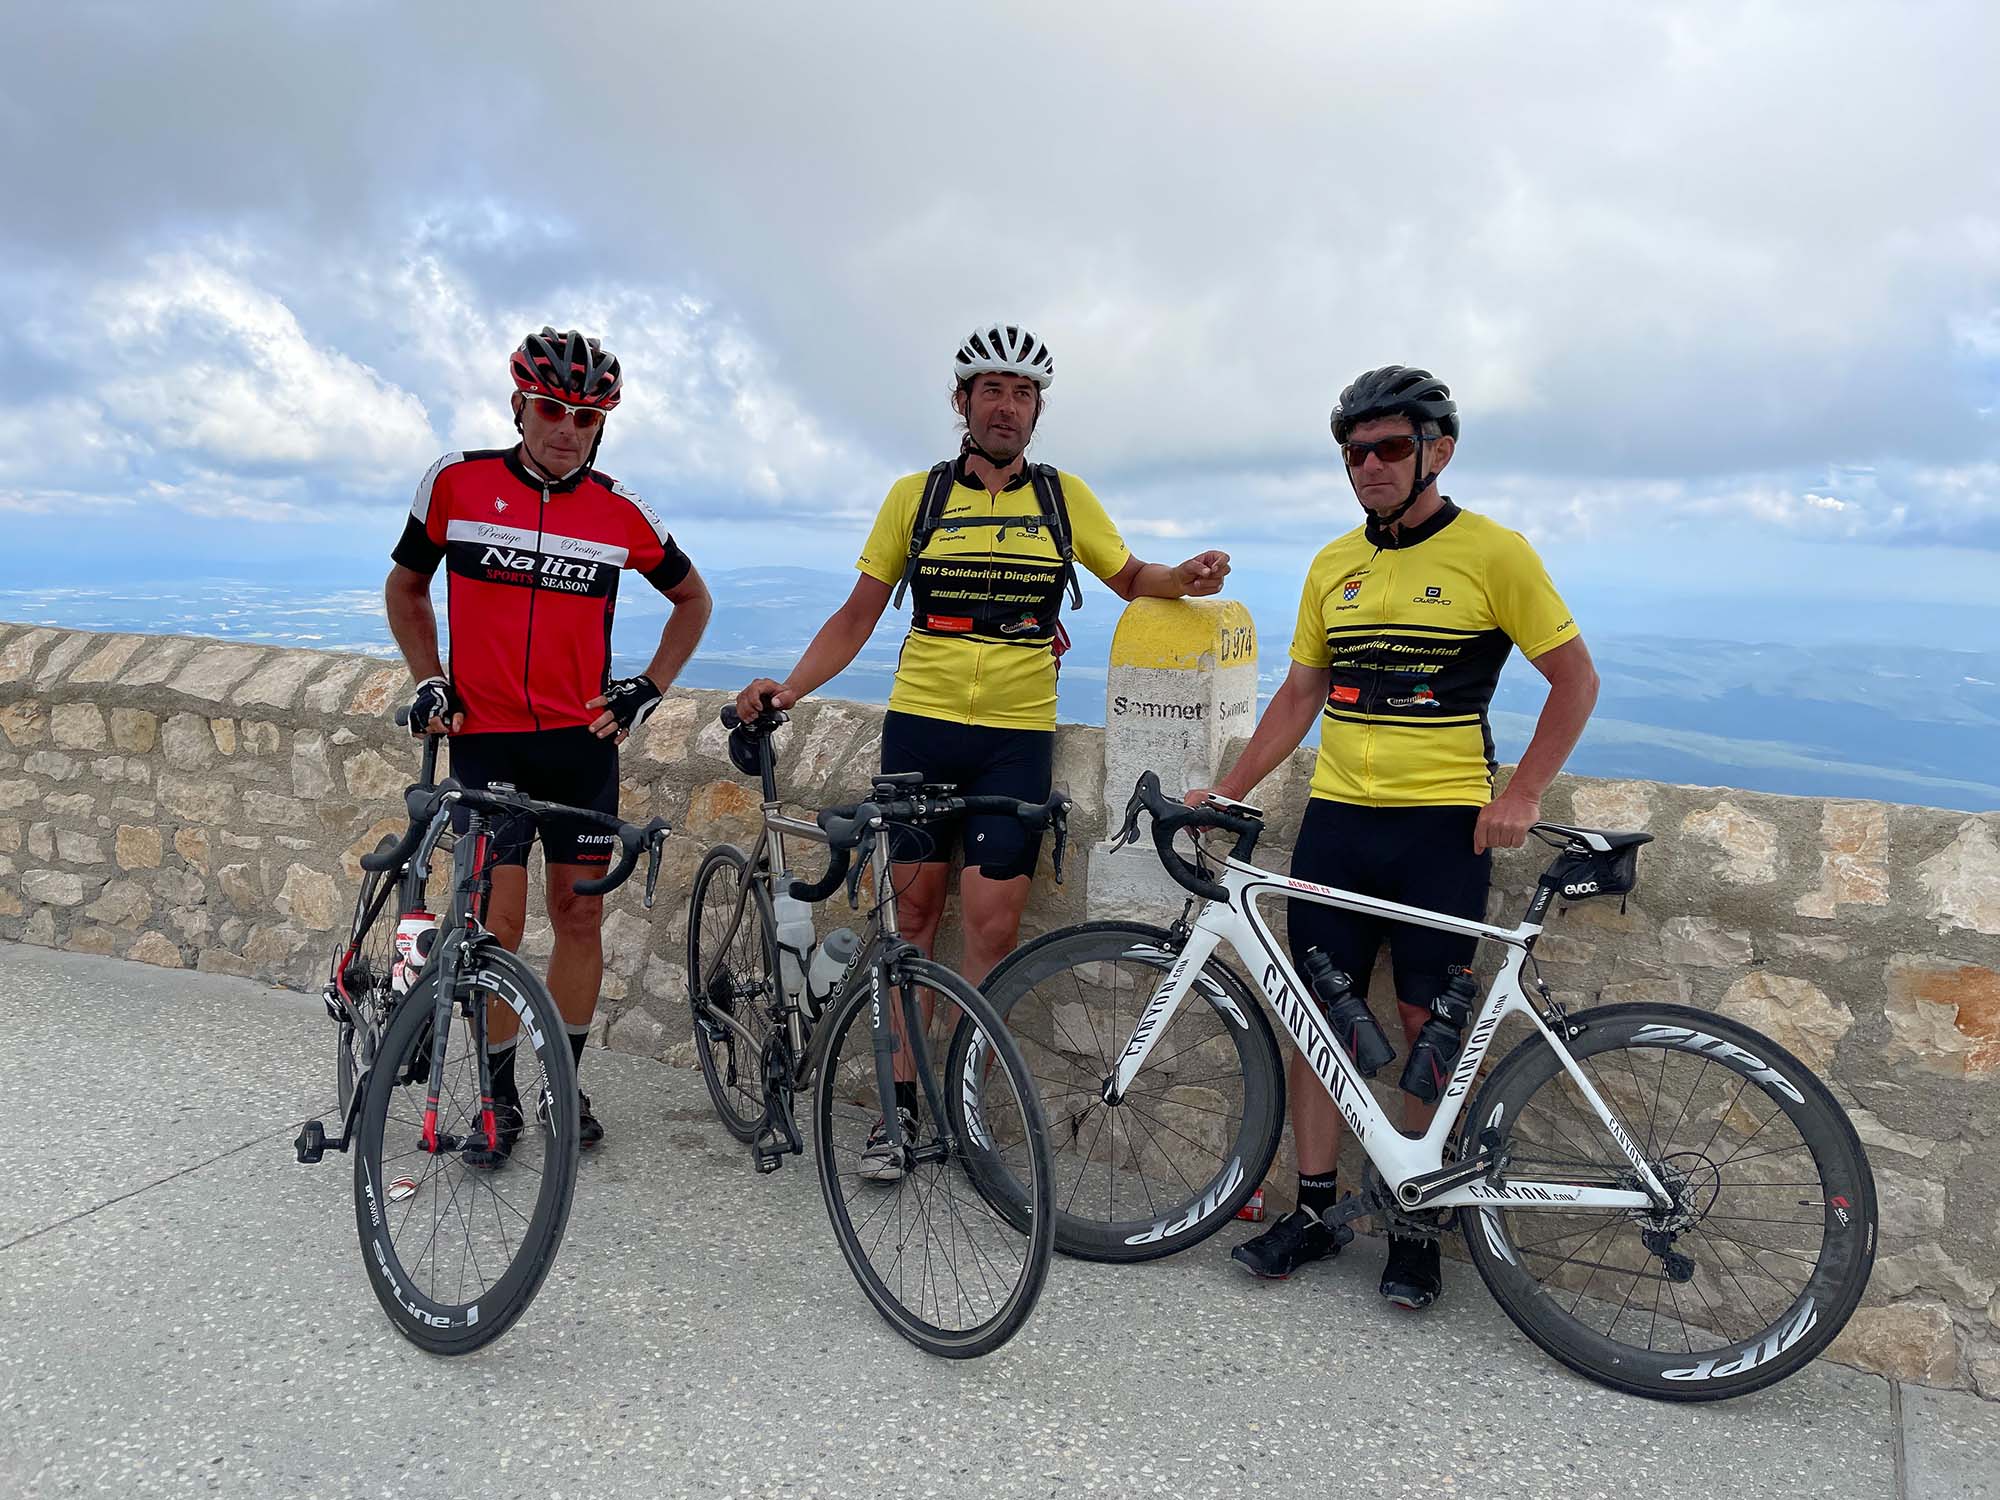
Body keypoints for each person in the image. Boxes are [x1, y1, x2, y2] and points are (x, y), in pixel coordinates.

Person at [737, 322, 1231, 1178]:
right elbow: (857, 614)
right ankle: (898, 1111)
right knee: (912, 923)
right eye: (992, 390)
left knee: (993, 932)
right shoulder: (916, 498)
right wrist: (790, 689)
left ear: (1038, 409)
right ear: (962, 402)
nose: (1007, 406)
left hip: (1015, 739)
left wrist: (1181, 578)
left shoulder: (1063, 499)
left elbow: (1127, 576)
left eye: (1023, 393)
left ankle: (963, 1108)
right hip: (921, 729)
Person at [1189, 365, 1598, 1307]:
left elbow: (1575, 680)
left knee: (1428, 1028)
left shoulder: (1494, 553)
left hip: (1441, 828)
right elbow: (1301, 693)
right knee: (1316, 1021)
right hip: (1337, 821)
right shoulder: (1334, 563)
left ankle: (1417, 1224)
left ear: (1436, 451)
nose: (1368, 465)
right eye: (1353, 452)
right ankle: (1314, 1211)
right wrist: (1230, 789)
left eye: (1388, 448)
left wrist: (1523, 792)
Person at [384, 326, 712, 1161]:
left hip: (579, 747)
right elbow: (407, 586)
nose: (568, 429)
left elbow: (693, 601)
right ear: (520, 407)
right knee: (496, 922)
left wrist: (648, 687)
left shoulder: (619, 510)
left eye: (586, 417)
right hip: (487, 743)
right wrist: (430, 678)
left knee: (579, 913)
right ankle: (497, 1098)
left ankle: (562, 1083)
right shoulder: (456, 482)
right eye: (552, 410)